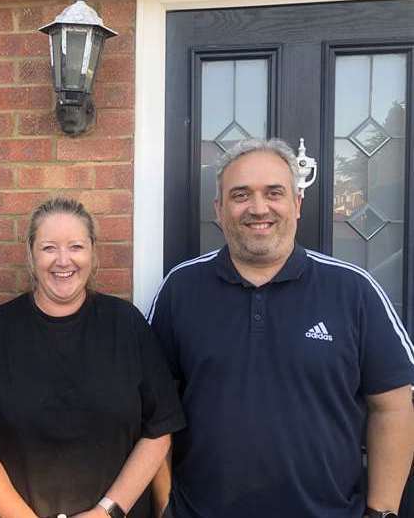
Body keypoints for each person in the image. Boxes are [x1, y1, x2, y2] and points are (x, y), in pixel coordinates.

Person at [148, 138, 414, 518]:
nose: (258, 208)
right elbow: (155, 411)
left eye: (274, 193)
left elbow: (393, 407)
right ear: (219, 210)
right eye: (240, 195)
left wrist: (382, 511)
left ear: (297, 204)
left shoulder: (354, 290)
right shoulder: (180, 289)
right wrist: (165, 507)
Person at [0, 196, 185, 518]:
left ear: (92, 252)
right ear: (30, 255)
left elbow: (158, 430)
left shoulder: (126, 325)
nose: (63, 260)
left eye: (75, 246)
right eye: (48, 248)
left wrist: (106, 512)